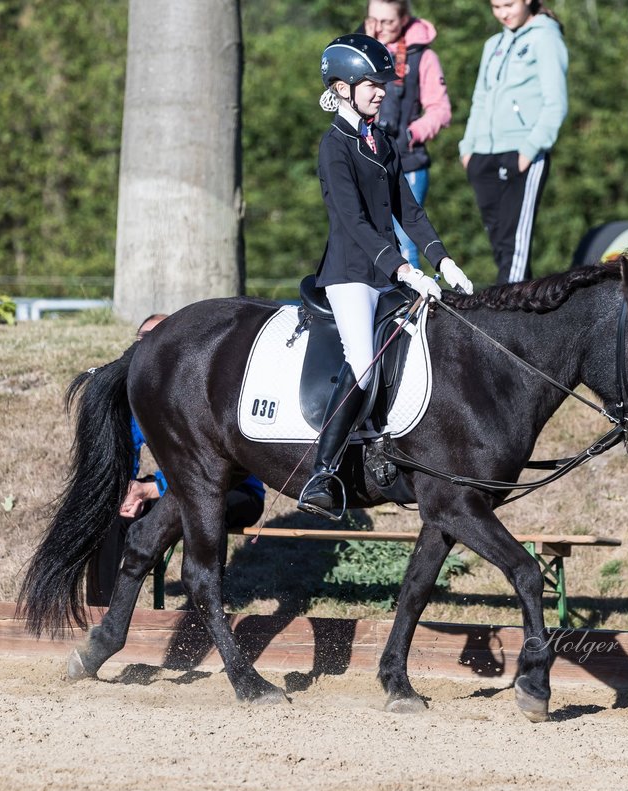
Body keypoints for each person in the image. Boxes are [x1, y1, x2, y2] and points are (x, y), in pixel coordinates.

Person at [299, 33, 473, 518]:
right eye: (372, 85)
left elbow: (408, 209)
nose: (382, 92)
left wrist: (441, 259)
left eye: (383, 84)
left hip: (388, 272)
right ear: (341, 87)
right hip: (352, 274)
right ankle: (323, 471)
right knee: (363, 362)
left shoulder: (381, 141)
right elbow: (351, 223)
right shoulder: (334, 147)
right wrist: (401, 267)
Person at [88, 314, 266, 604]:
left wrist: (152, 488)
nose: (149, 344)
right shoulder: (141, 398)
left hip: (234, 487)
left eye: (158, 336)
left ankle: (203, 613)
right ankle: (101, 614)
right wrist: (126, 489)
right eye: (143, 337)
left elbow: (220, 464)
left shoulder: (203, 390)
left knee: (208, 509)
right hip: (179, 489)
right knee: (112, 513)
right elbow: (126, 451)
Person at [458, 0, 568, 285]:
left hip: (520, 154)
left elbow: (555, 103)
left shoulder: (545, 37)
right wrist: (468, 149)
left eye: (509, 4)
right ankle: (523, 322)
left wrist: (529, 150)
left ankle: (505, 321)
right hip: (482, 155)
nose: (503, 13)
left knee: (514, 252)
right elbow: (480, 99)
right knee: (501, 248)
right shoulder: (493, 43)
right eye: (496, 6)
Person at [363, 0, 452, 269]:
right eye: (373, 20)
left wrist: (410, 133)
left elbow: (441, 110)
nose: (379, 28)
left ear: (404, 19)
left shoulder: (422, 57)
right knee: (369, 236)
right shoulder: (359, 51)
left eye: (387, 22)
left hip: (407, 162)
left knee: (405, 237)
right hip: (367, 159)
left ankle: (410, 303)